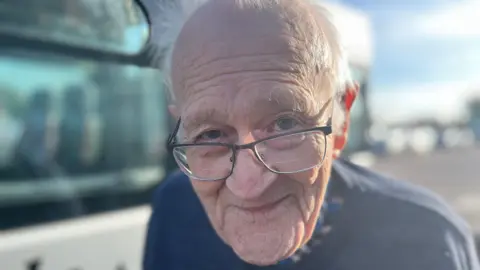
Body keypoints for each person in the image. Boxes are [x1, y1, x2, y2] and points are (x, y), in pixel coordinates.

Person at [142, 0, 480, 269]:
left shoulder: (428, 242)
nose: (247, 185)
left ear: (341, 120)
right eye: (211, 134)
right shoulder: (174, 209)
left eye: (285, 123)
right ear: (182, 127)